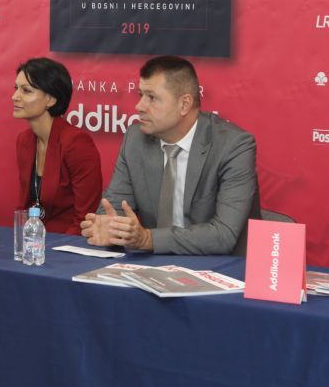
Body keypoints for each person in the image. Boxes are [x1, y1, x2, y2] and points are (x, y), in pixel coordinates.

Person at [80, 55, 260, 254]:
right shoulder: (135, 140)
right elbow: (114, 209)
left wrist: (148, 239)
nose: (139, 106)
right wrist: (108, 227)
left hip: (220, 265)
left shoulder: (233, 146)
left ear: (184, 104)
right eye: (140, 95)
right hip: (154, 264)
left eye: (152, 98)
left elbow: (223, 235)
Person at [13, 58, 102, 234]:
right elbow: (24, 207)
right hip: (33, 239)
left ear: (51, 100)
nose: (15, 96)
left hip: (69, 241)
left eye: (26, 90)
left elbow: (85, 219)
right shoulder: (24, 141)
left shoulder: (77, 143)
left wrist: (56, 247)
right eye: (16, 88)